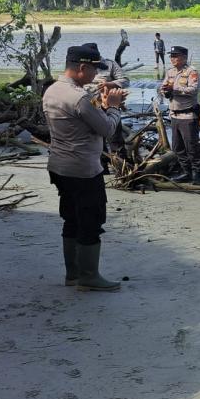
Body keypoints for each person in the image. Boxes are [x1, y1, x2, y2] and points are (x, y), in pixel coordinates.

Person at [43, 44, 124, 291]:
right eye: (93, 70)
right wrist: (113, 107)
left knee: (71, 218)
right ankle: (89, 276)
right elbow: (108, 130)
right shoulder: (78, 97)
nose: (96, 76)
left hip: (59, 166)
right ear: (81, 68)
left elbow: (77, 123)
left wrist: (99, 105)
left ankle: (73, 274)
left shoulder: (52, 90)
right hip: (83, 169)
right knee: (90, 220)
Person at [159, 45, 200, 185]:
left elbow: (193, 89)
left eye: (175, 56)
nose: (172, 59)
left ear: (184, 57)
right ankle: (186, 172)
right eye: (171, 56)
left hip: (188, 115)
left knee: (192, 147)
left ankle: (198, 175)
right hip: (174, 114)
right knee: (177, 147)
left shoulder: (191, 71)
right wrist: (165, 91)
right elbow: (163, 87)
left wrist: (174, 88)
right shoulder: (170, 71)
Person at [82, 42, 130, 164]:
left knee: (115, 138)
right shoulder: (82, 66)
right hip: (91, 105)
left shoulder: (110, 64)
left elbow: (125, 81)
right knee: (96, 139)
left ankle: (122, 167)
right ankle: (102, 169)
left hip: (110, 105)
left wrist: (109, 84)